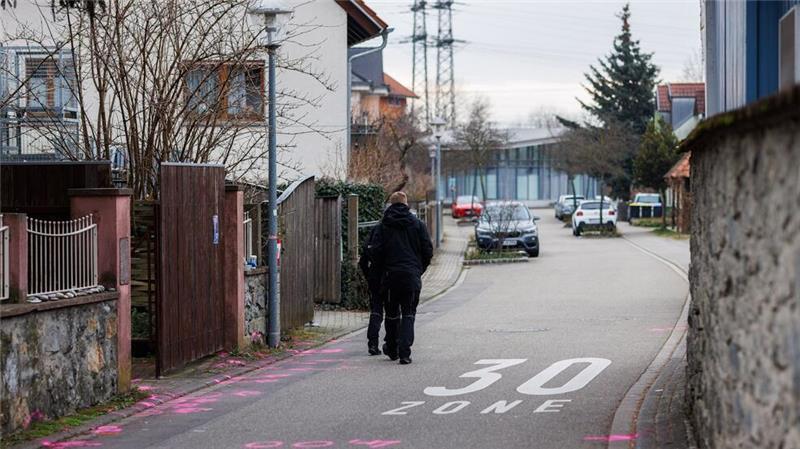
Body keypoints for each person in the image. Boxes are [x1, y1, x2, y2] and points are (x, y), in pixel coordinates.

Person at [367, 191, 433, 365]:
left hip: (390, 277)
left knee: (392, 314)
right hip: (411, 276)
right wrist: (418, 270)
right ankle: (405, 352)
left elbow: (375, 252)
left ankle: (392, 348)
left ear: (390, 204)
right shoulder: (418, 224)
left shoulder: (383, 226)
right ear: (406, 204)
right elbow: (428, 251)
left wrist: (382, 271)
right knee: (409, 314)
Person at [359, 224, 387, 356]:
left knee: (376, 310)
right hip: (389, 275)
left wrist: (368, 275)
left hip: (374, 276)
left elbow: (363, 260)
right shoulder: (393, 231)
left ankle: (372, 343)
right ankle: (391, 342)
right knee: (393, 310)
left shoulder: (375, 230)